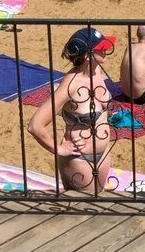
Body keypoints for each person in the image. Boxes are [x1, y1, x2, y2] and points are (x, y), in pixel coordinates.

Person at [28, 28, 118, 194]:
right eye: (101, 48)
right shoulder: (71, 84)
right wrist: (60, 149)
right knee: (84, 209)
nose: (106, 50)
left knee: (99, 205)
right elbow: (35, 125)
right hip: (79, 159)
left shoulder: (96, 70)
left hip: (104, 154)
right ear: (87, 56)